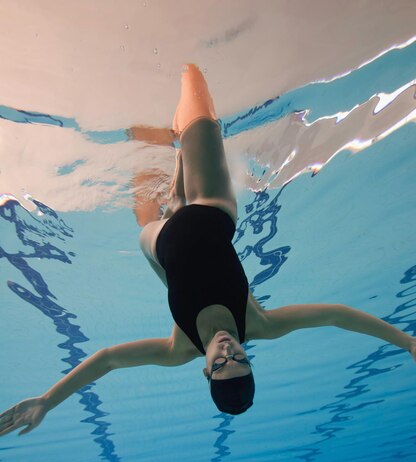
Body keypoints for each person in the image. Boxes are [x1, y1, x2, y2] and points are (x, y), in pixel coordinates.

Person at [1, 63, 415, 437]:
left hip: (159, 242)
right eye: (239, 359)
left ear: (205, 370)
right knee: (194, 85)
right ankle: (180, 139)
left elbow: (107, 359)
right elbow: (336, 315)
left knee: (145, 191)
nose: (226, 350)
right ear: (250, 359)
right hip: (211, 206)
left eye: (219, 364)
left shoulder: (178, 349)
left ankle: (167, 158)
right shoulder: (259, 323)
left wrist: (47, 400)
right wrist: (409, 343)